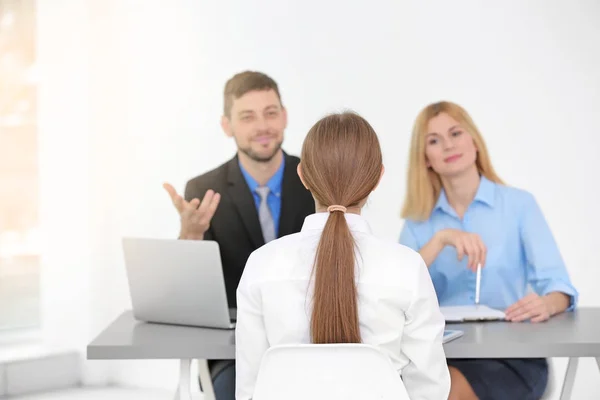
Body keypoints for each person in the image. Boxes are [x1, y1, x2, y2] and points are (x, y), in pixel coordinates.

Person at [235, 111, 451, 400]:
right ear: (377, 179)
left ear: (303, 176)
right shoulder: (407, 268)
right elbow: (429, 387)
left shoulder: (261, 265)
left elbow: (251, 387)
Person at [399, 101, 578, 400]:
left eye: (455, 133)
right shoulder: (419, 223)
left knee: (445, 391)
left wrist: (548, 304)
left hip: (511, 357)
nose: (447, 145)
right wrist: (441, 239)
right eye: (434, 140)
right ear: (425, 158)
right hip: (440, 355)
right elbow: (397, 289)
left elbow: (560, 286)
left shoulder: (519, 205)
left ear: (474, 141)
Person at [163, 71, 315, 400]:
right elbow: (188, 293)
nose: (262, 127)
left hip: (309, 345)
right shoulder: (203, 191)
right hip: (233, 352)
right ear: (227, 126)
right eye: (248, 117)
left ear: (285, 117)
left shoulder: (315, 179)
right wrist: (191, 235)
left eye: (271, 113)